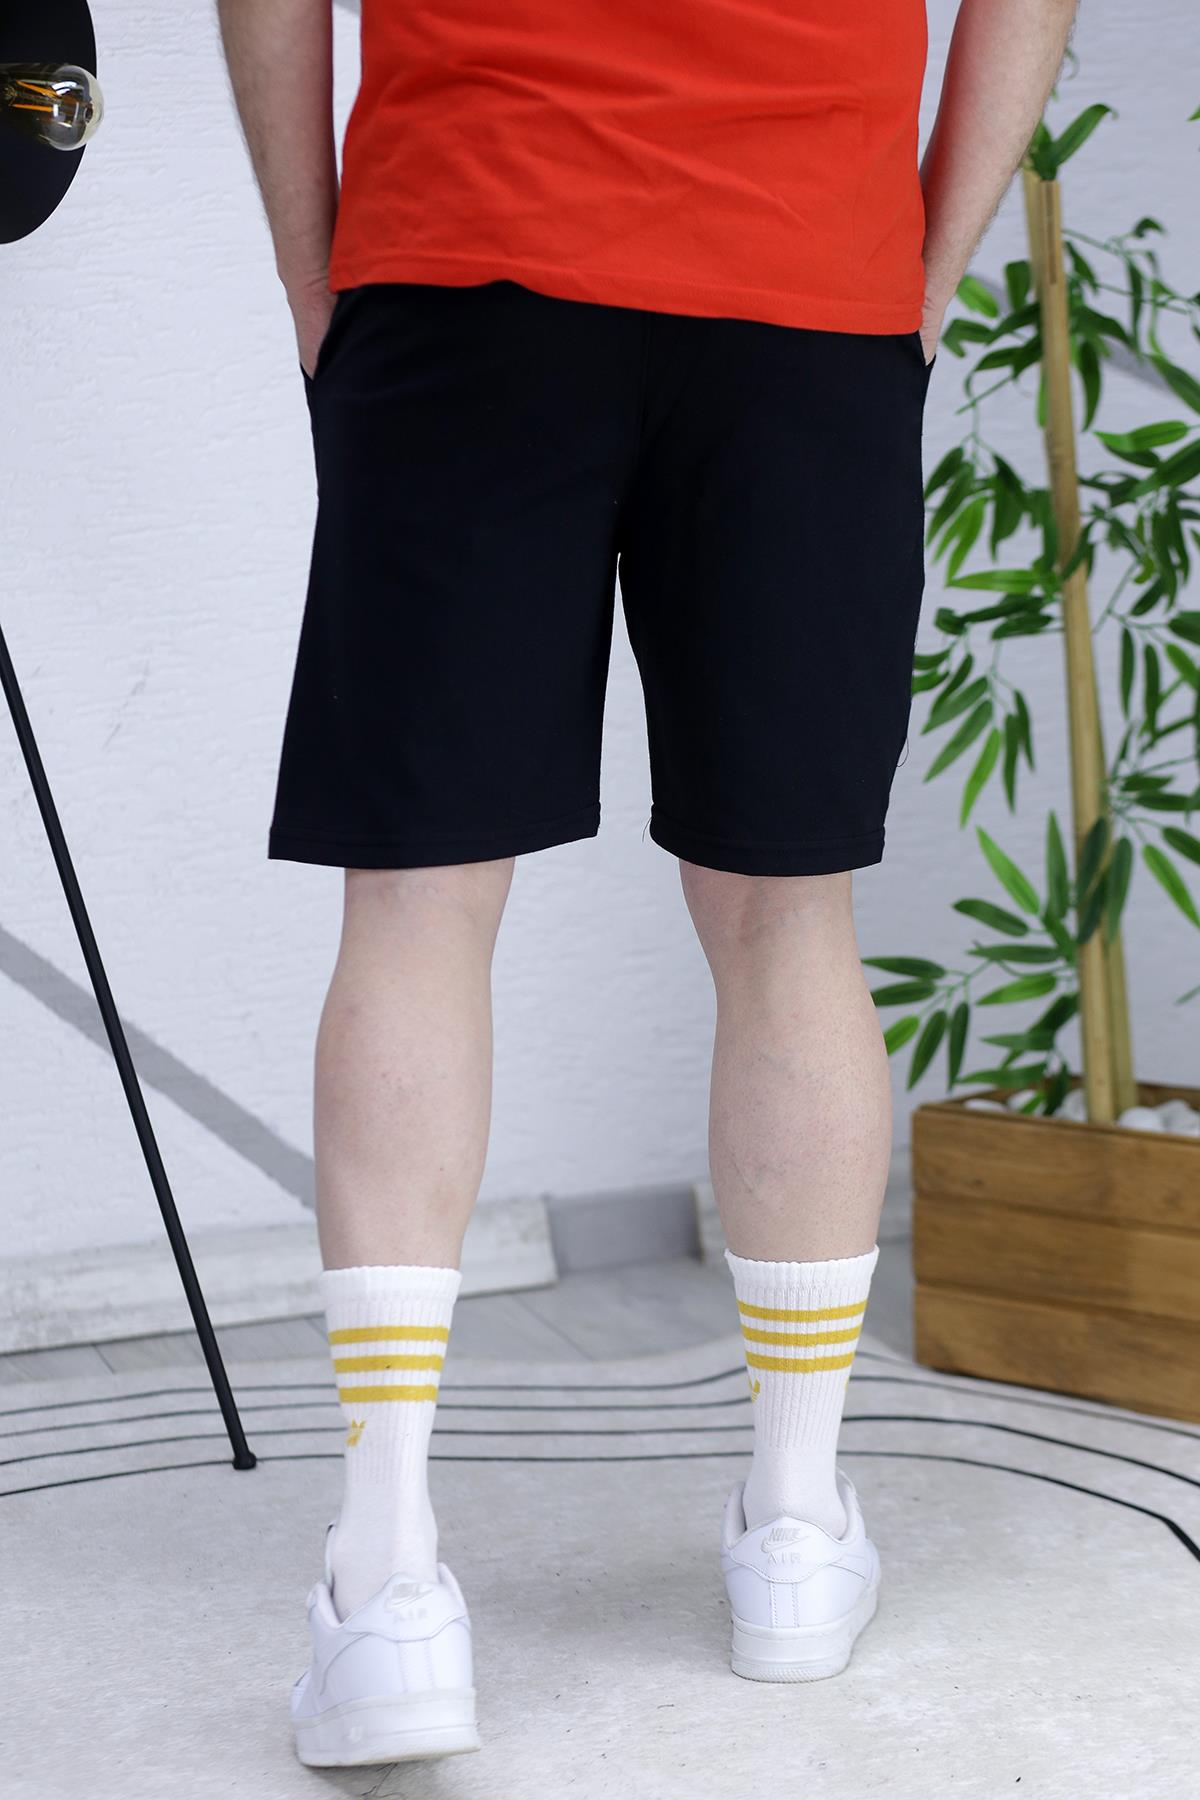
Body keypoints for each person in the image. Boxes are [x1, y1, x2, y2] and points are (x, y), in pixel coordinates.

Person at [218, 0, 1079, 1768]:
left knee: (419, 901)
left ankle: (386, 1579)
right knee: (787, 911)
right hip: (807, 274)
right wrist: (921, 267)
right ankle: (794, 1531)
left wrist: (318, 267)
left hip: (469, 247)